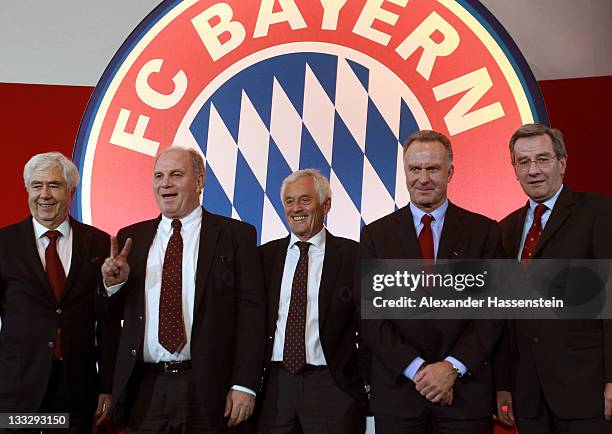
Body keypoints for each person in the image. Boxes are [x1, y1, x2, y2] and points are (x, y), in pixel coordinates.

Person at [102, 146, 266, 434]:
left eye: (176, 175)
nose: (165, 183)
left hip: (210, 387)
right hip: (146, 387)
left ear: (200, 181)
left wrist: (244, 384)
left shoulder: (236, 235)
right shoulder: (132, 238)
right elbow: (109, 317)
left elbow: (252, 315)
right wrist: (113, 285)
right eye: (159, 176)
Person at [360, 130, 504, 434]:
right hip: (399, 394)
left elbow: (492, 311)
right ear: (405, 172)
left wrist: (451, 367)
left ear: (450, 172)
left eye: (433, 169)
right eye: (415, 169)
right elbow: (372, 318)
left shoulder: (484, 232)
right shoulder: (376, 236)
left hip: (465, 396)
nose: (423, 178)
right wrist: (419, 371)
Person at [495, 123, 612, 433]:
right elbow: (503, 315)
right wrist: (503, 384)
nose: (533, 170)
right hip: (529, 394)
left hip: (587, 391)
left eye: (543, 159)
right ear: (515, 169)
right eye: (524, 162)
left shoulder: (600, 213)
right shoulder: (505, 230)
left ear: (562, 163)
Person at [0, 152, 117, 433]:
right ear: (27, 190)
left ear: (71, 191)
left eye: (53, 185)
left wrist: (108, 386)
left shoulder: (100, 244)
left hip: (76, 391)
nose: (44, 195)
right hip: (16, 392)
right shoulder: (4, 243)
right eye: (36, 185)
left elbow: (109, 324)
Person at [255, 169, 367, 434]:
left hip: (332, 387)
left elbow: (371, 326)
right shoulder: (263, 257)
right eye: (290, 201)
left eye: (305, 200)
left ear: (326, 205)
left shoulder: (354, 256)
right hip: (274, 387)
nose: (296, 209)